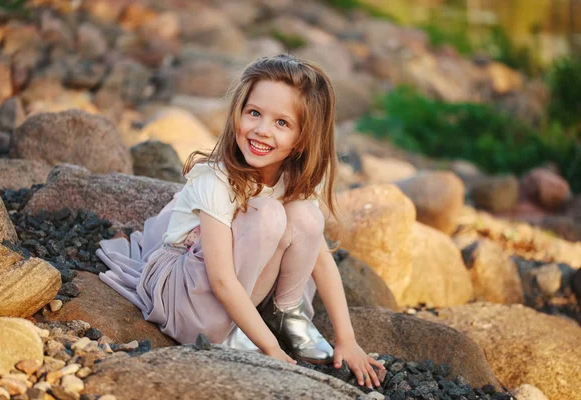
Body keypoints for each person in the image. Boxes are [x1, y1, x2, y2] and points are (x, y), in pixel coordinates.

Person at [96, 54, 385, 389]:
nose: (261, 130)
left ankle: (285, 315)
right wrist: (271, 351)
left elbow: (320, 259)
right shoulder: (216, 181)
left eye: (282, 123)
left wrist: (346, 338)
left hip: (241, 289)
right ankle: (235, 333)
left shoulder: (292, 178)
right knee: (270, 214)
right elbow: (221, 280)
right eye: (254, 113)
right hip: (195, 299)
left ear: (303, 138)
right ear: (239, 112)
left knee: (305, 216)